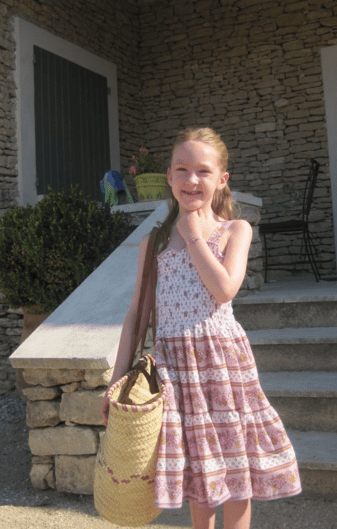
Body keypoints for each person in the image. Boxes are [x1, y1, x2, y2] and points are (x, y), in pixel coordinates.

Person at [101, 128, 301, 529]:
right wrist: (117, 380)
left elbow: (224, 289)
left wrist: (194, 236)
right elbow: (137, 313)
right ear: (171, 178)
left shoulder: (234, 231)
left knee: (234, 472)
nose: (192, 180)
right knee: (199, 473)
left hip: (223, 364)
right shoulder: (154, 241)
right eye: (182, 170)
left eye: (203, 171)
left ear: (222, 179)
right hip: (176, 368)